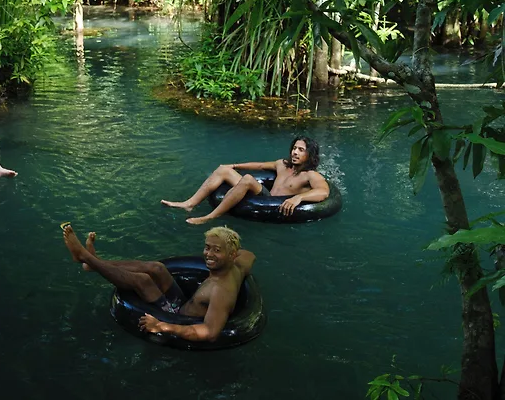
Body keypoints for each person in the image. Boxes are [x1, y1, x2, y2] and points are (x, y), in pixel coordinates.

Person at [61, 223, 254, 343]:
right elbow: (250, 255)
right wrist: (226, 241)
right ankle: (93, 263)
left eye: (217, 250)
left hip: (177, 315)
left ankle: (85, 257)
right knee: (156, 268)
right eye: (207, 248)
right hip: (183, 302)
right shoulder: (238, 265)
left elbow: (210, 333)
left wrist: (163, 326)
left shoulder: (222, 291)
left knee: (142, 280)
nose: (209, 254)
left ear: (231, 255)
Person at [161, 136, 330, 225]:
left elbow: (323, 192)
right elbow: (260, 166)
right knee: (223, 169)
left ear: (309, 154)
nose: (295, 152)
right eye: (294, 148)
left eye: (301, 150)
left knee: (248, 179)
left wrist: (299, 197)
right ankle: (190, 203)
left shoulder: (310, 175)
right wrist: (234, 165)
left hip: (274, 206)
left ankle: (210, 217)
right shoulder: (282, 164)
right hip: (265, 196)